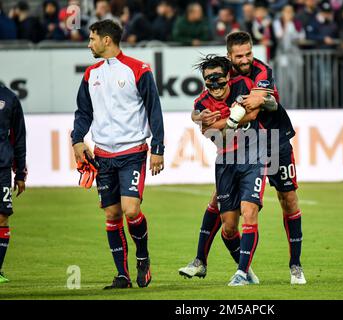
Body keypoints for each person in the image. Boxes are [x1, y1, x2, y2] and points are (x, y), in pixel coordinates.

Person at [180, 31, 306, 285]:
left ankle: (295, 266)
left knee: (289, 199)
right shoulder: (225, 76)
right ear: (230, 57)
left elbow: (257, 104)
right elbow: (200, 109)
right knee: (220, 201)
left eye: (249, 53)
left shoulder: (261, 72)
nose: (246, 59)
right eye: (240, 56)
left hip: (275, 140)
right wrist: (198, 117)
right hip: (245, 146)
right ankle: (205, 262)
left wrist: (224, 122)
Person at [71, 19, 165, 289]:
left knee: (131, 210)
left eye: (92, 39)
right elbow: (83, 112)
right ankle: (122, 275)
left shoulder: (138, 69)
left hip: (133, 151)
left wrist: (158, 148)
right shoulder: (91, 74)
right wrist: (77, 140)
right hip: (103, 155)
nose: (89, 44)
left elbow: (153, 109)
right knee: (112, 215)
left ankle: (143, 257)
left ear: (106, 40)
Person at [191, 55, 266, 286]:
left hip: (254, 154)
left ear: (228, 77)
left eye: (219, 81)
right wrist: (230, 120)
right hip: (225, 161)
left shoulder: (244, 85)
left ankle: (241, 273)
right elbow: (210, 130)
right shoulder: (202, 104)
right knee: (229, 228)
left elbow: (254, 113)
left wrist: (229, 121)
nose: (215, 87)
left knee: (249, 211)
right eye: (209, 82)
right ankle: (246, 272)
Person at [0, 84, 27, 284]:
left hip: (2, 167)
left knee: (2, 217)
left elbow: (18, 137)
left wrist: (20, 172)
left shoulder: (9, 97)